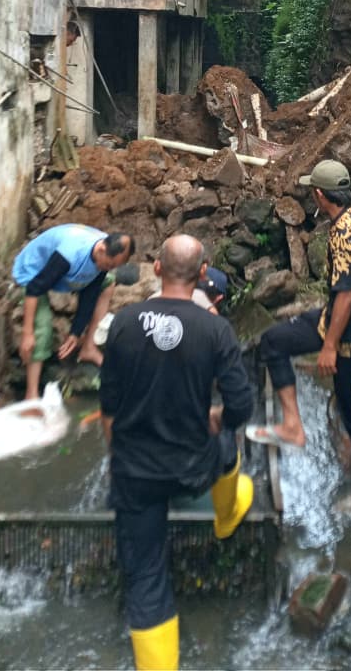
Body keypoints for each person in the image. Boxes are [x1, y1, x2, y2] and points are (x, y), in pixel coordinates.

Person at [99, 234, 254, 671]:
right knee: (228, 448)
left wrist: (119, 458)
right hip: (193, 465)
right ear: (203, 274)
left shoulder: (125, 322)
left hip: (135, 471)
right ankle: (226, 518)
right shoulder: (215, 329)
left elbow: (108, 403)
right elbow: (241, 406)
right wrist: (217, 418)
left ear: (157, 269)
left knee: (146, 579)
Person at [248, 159, 351, 512]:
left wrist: (329, 347)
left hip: (350, 339)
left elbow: (347, 295)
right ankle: (293, 426)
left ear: (318, 195)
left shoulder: (342, 233)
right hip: (341, 322)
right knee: (274, 342)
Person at [12, 223, 134, 400]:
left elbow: (90, 294)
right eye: (108, 264)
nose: (107, 268)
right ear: (101, 249)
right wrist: (27, 332)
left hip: (63, 275)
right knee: (42, 328)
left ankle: (88, 347)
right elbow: (35, 288)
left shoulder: (103, 258)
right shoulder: (69, 254)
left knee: (108, 283)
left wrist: (76, 332)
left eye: (113, 266)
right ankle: (31, 393)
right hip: (33, 273)